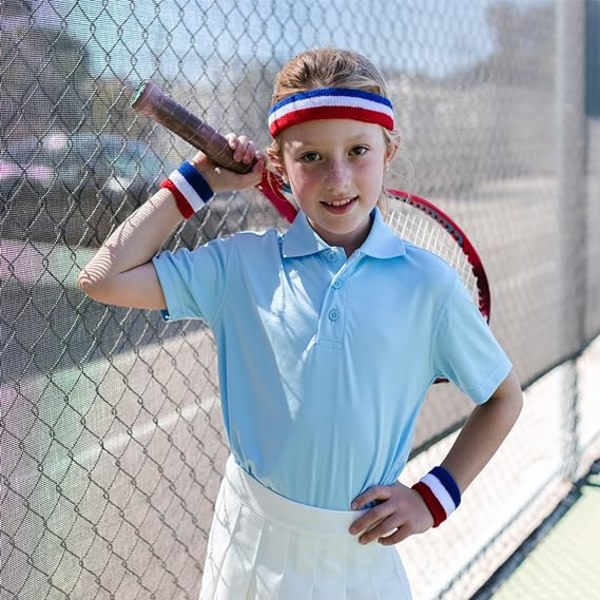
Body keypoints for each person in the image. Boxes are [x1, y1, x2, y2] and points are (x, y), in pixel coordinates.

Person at [79, 48, 523, 599]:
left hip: (357, 552)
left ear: (390, 150)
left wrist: (434, 497)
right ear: (277, 167)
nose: (337, 178)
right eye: (310, 157)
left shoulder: (428, 285)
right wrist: (199, 180)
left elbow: (503, 398)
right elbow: (103, 276)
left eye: (358, 151)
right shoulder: (238, 265)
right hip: (247, 542)